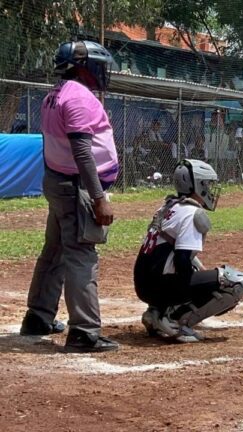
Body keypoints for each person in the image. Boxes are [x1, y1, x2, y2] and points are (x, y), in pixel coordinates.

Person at [20, 40, 119, 352]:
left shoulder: (55, 94)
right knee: (81, 254)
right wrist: (98, 196)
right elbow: (82, 151)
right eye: (98, 66)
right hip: (75, 186)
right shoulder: (77, 96)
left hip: (59, 182)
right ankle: (84, 332)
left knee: (55, 251)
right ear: (83, 67)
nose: (102, 73)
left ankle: (38, 317)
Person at [134, 159, 243, 342]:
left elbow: (174, 252)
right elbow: (181, 260)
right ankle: (174, 320)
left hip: (144, 284)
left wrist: (201, 276)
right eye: (206, 184)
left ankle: (156, 311)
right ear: (196, 184)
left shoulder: (169, 206)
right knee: (237, 282)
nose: (210, 190)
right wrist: (197, 290)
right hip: (158, 286)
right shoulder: (191, 213)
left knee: (198, 272)